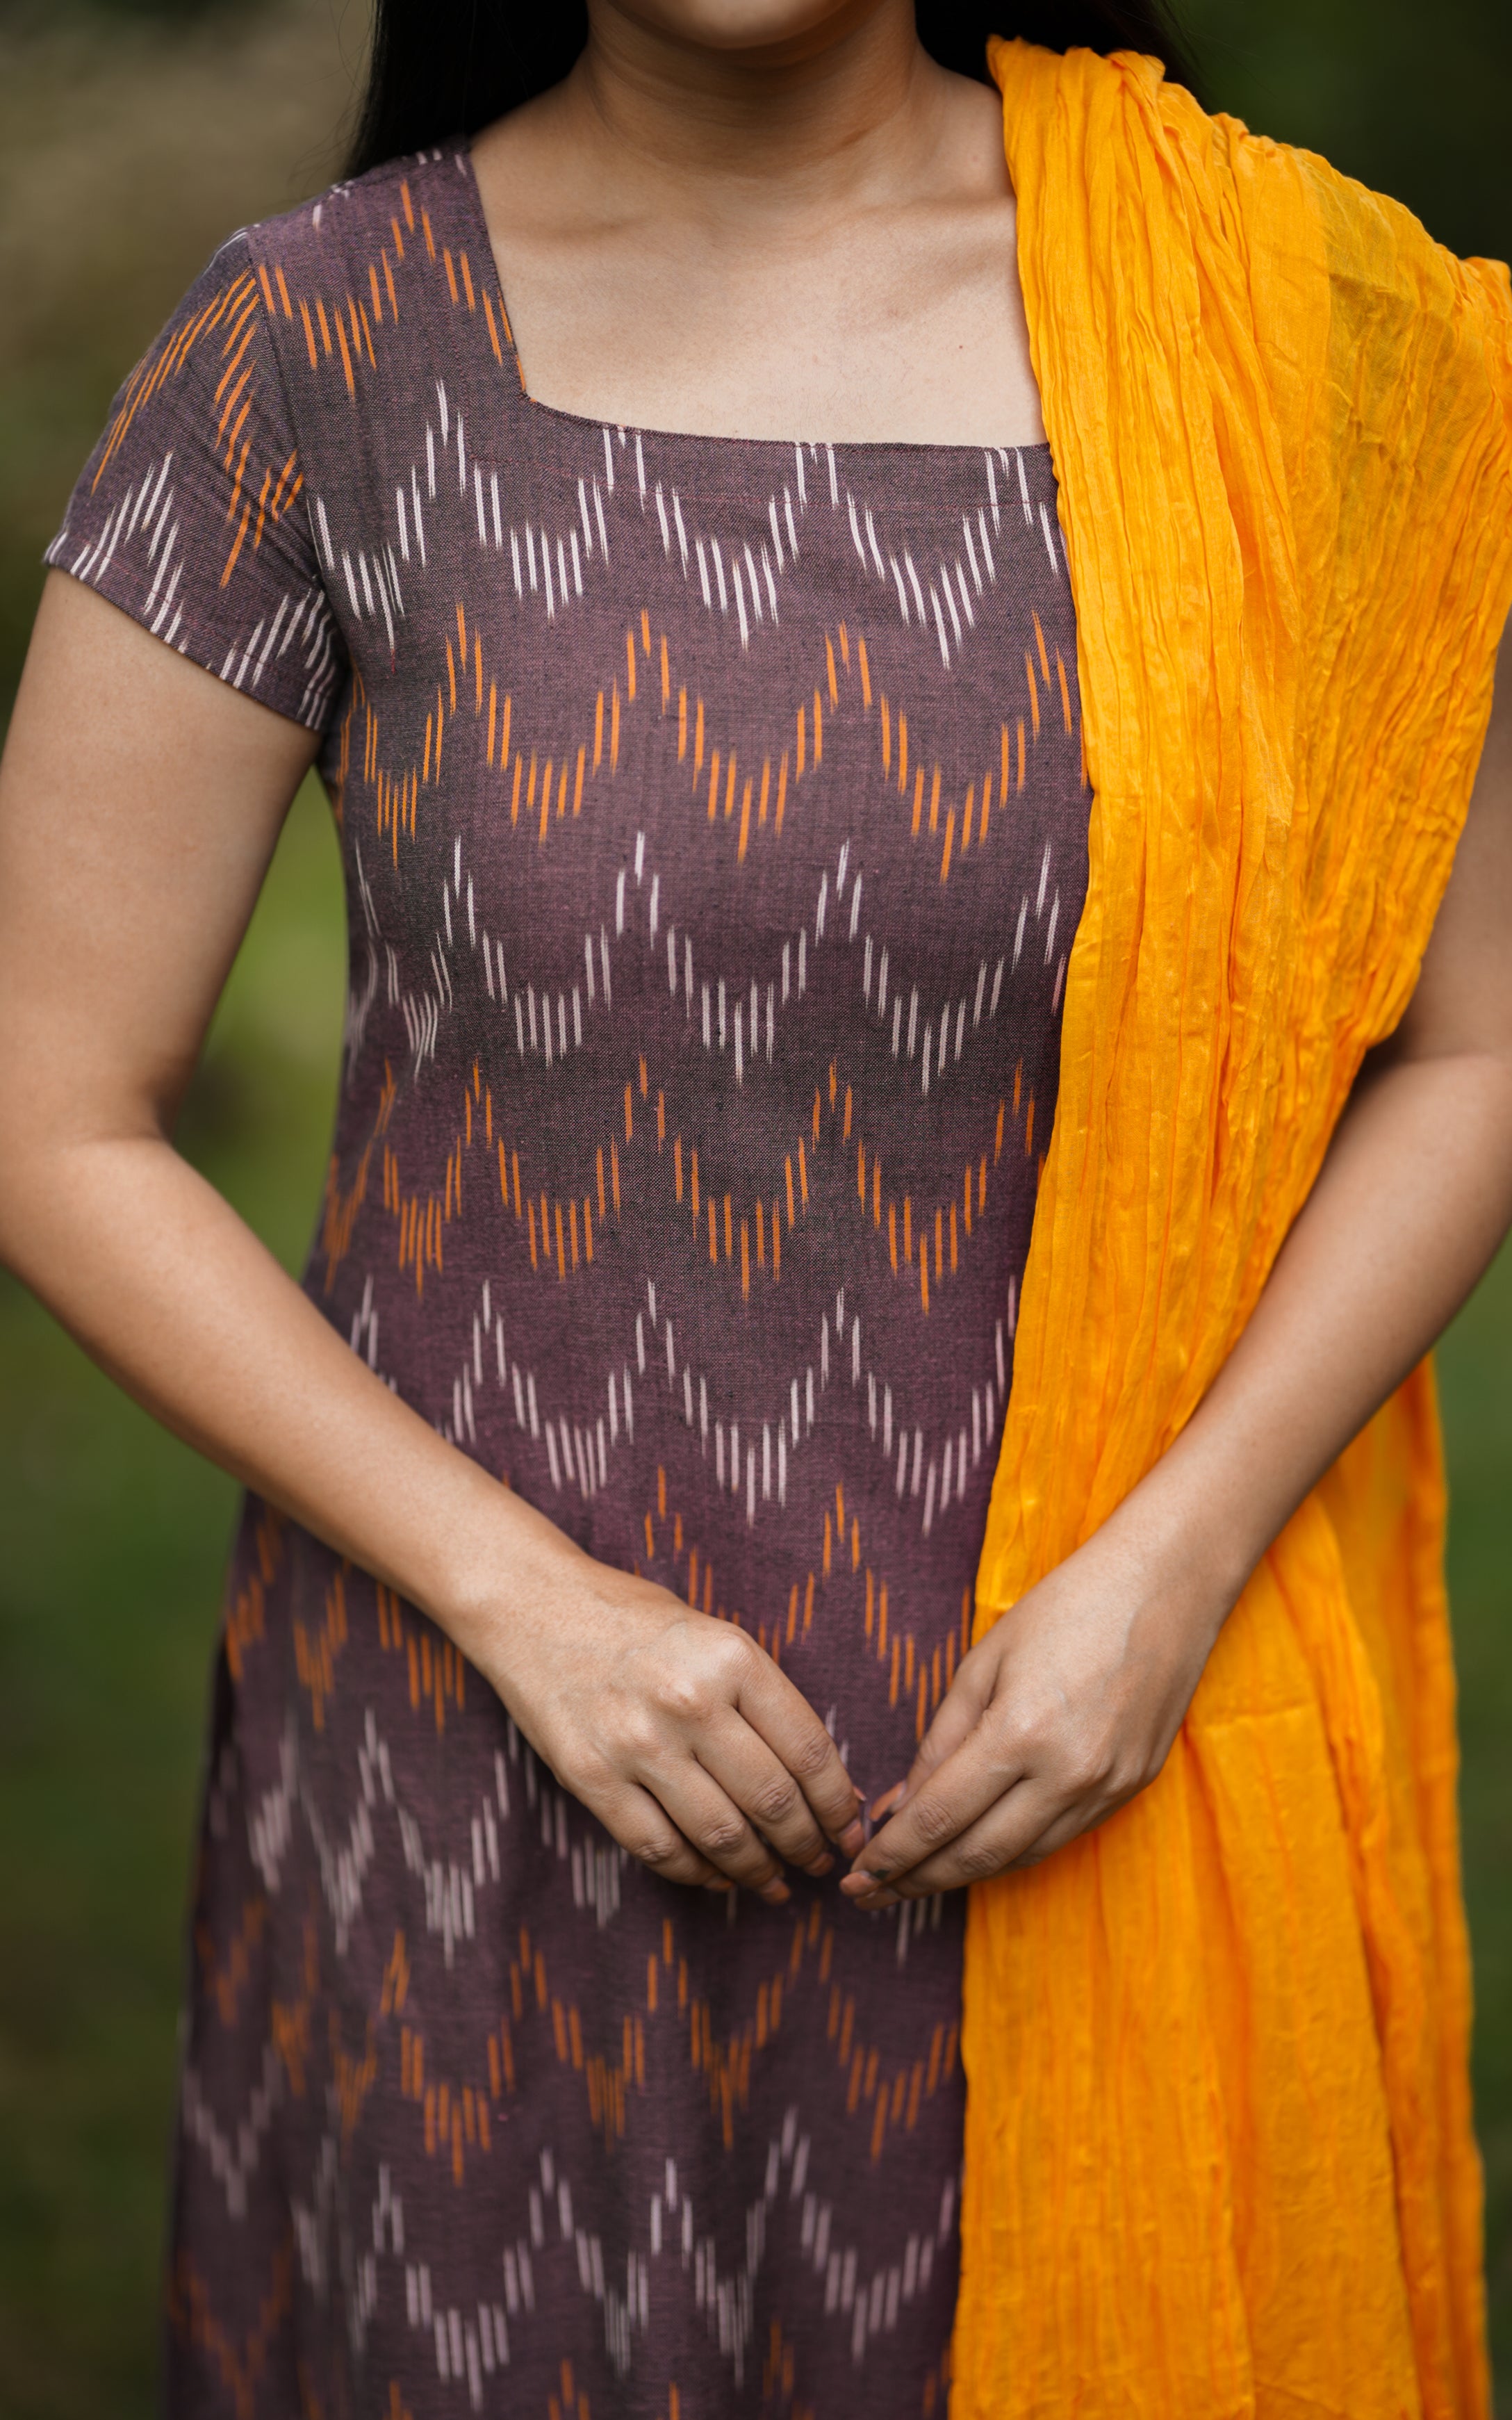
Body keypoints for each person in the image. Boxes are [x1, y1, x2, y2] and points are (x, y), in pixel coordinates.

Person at [1, 0, 1509, 2412]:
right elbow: (44, 1098)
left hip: (1096, 1747)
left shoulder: (1296, 327)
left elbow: (1476, 1034)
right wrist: (526, 1601)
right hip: (473, 1761)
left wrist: (1182, 1562)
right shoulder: (321, 339)